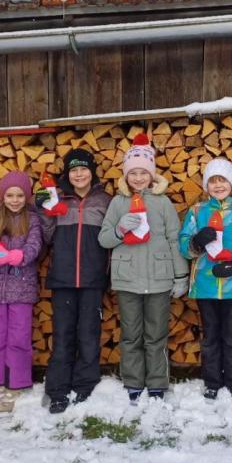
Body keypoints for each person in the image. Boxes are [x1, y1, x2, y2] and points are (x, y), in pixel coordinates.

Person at [99, 133, 189, 403]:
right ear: (126, 176)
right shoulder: (117, 203)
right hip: (128, 280)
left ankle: (157, 382)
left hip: (160, 280)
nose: (138, 178)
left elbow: (174, 238)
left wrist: (180, 275)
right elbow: (104, 239)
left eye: (143, 173)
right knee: (131, 335)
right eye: (133, 173)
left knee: (156, 334)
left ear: (152, 175)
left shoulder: (162, 203)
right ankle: (133, 381)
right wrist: (119, 228)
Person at [179, 157, 232, 404]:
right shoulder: (197, 212)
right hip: (205, 286)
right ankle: (212, 382)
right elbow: (183, 245)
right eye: (213, 181)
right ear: (206, 185)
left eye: (223, 180)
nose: (218, 185)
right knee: (211, 336)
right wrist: (195, 242)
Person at [38, 149, 113, 414]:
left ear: (91, 171)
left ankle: (85, 384)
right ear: (67, 174)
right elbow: (47, 237)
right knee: (63, 335)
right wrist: (46, 211)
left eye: (83, 169)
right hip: (63, 278)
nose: (79, 174)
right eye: (73, 170)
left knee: (89, 335)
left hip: (93, 278)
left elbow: (111, 240)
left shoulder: (104, 200)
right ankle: (58, 388)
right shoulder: (60, 200)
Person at [0, 170, 43, 414]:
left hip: (22, 287)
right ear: (2, 196)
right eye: (9, 195)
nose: (14, 200)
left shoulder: (33, 219)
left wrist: (20, 255)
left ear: (26, 196)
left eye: (19, 195)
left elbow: (35, 244)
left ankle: (17, 380)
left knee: (18, 337)